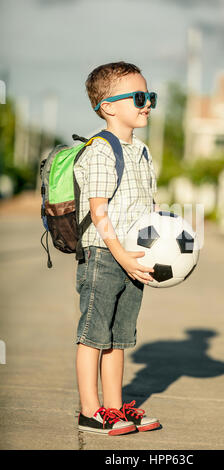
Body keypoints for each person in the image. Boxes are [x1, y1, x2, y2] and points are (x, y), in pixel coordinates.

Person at [73, 61, 161, 436]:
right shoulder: (101, 150)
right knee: (94, 332)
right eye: (139, 97)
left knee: (119, 335)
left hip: (131, 256)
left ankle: (114, 406)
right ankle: (90, 411)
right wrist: (121, 254)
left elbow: (147, 207)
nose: (147, 105)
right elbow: (98, 210)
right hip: (104, 255)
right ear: (108, 106)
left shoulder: (141, 151)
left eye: (150, 97)